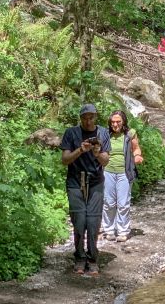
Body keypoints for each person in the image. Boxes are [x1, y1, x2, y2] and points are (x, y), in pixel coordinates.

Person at [60, 104, 111, 275]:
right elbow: (65, 159)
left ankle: (93, 258)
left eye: (91, 117)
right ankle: (80, 258)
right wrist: (80, 150)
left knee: (93, 222)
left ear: (96, 117)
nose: (88, 121)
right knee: (79, 220)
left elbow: (105, 161)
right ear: (80, 118)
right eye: (85, 117)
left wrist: (97, 153)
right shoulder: (71, 133)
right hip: (75, 181)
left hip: (95, 181)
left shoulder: (103, 133)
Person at [101, 110, 143, 243]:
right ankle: (108, 230)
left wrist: (137, 156)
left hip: (125, 172)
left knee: (123, 203)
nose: (115, 124)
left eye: (118, 121)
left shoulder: (130, 134)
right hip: (107, 171)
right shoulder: (105, 134)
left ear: (123, 121)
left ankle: (123, 231)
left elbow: (136, 148)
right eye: (113, 122)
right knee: (108, 202)